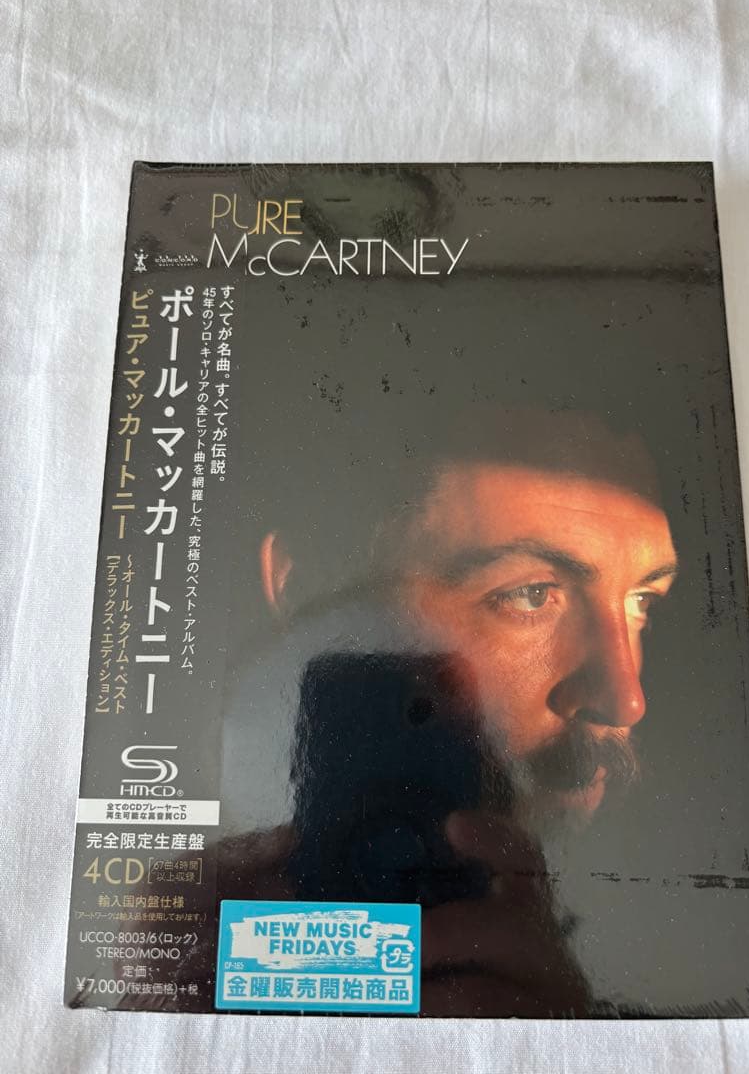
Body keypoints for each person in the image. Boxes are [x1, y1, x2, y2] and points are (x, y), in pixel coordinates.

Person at [221, 406, 679, 1016]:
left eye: (642, 600)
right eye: (530, 594)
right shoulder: (214, 904)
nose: (625, 698)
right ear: (309, 587)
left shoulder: (669, 946)